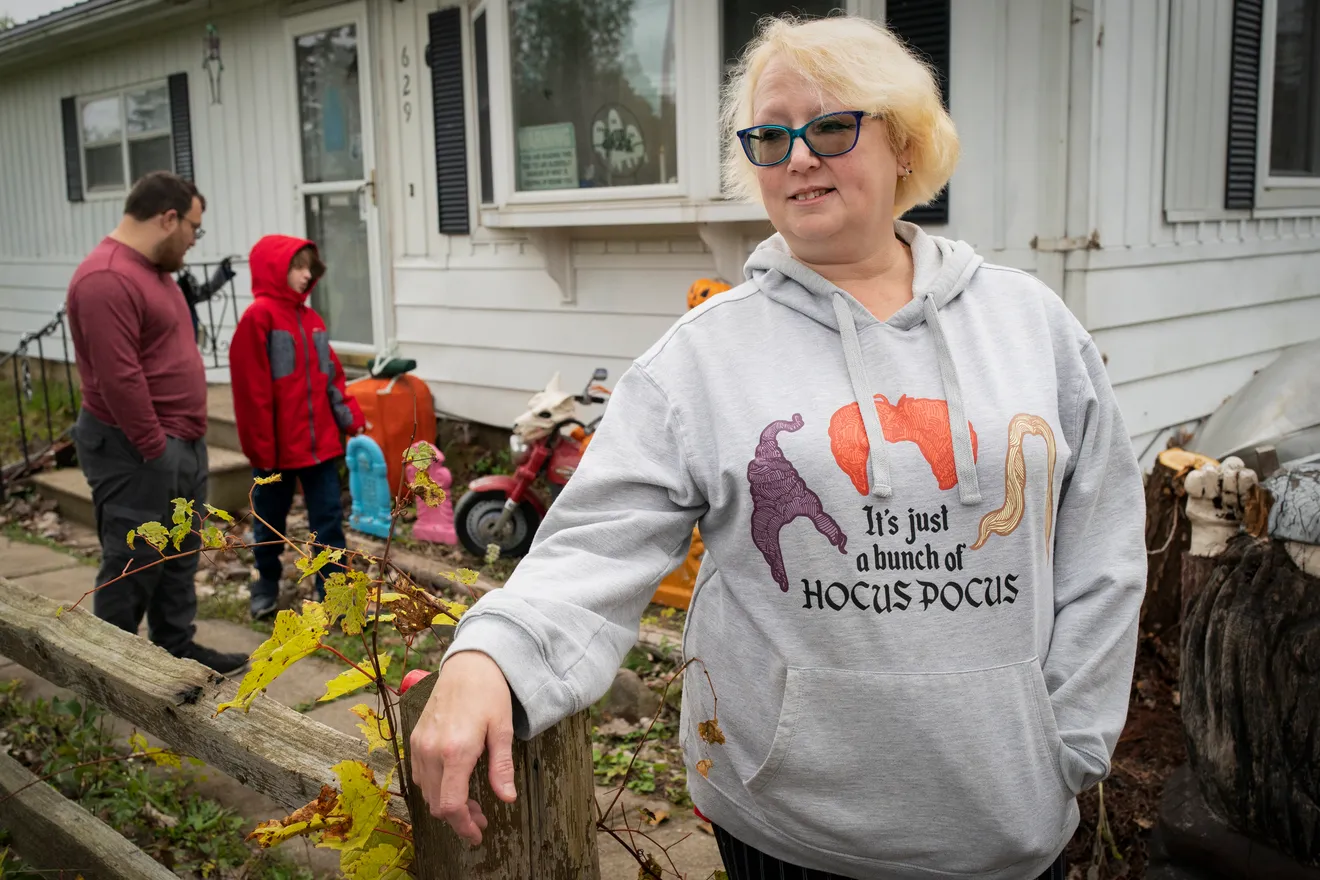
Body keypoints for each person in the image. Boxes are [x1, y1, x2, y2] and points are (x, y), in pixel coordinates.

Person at [409, 14, 1146, 880]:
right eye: (769, 136)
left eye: (832, 126)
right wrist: (489, 652)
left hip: (1004, 825)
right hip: (789, 829)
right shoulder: (704, 354)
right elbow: (593, 542)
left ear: (904, 142)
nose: (798, 157)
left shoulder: (1030, 326)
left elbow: (1102, 550)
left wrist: (1066, 744)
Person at [67, 171, 249, 677]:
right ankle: (112, 669)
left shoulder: (155, 272)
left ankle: (175, 648)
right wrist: (155, 448)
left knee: (179, 554)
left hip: (179, 442)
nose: (194, 241)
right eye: (194, 227)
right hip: (134, 447)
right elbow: (118, 378)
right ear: (168, 218)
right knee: (135, 559)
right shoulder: (107, 278)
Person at [227, 236, 365, 620]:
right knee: (269, 525)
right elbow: (250, 390)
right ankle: (265, 584)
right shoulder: (259, 318)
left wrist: (349, 418)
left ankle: (334, 596)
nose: (307, 275)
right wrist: (261, 450)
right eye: (298, 267)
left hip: (320, 446)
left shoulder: (313, 321)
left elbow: (332, 377)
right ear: (275, 269)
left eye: (310, 268)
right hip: (275, 451)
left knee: (328, 524)